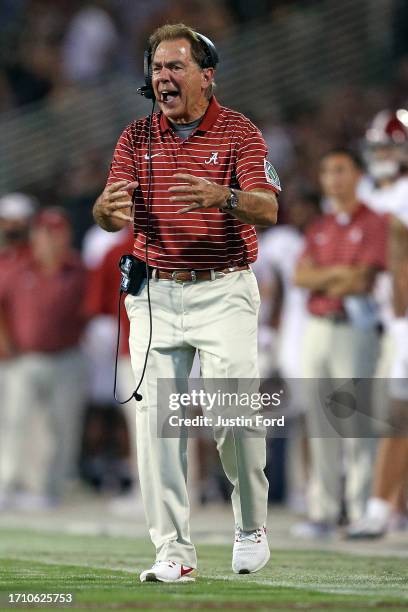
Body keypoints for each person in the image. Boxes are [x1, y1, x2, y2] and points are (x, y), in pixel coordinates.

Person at [92, 23, 279, 582]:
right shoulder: (135, 138)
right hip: (153, 292)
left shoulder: (240, 132)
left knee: (232, 416)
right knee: (155, 425)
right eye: (156, 68)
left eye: (175, 66)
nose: (163, 77)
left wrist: (223, 197)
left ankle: (251, 527)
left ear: (206, 74)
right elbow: (107, 215)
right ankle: (173, 551)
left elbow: (268, 209)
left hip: (222, 287)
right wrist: (105, 209)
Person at [292, 149, 387, 538]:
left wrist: (324, 276)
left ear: (358, 175)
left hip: (355, 328)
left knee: (356, 424)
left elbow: (362, 279)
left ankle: (363, 508)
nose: (332, 178)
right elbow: (300, 277)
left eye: (341, 170)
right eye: (327, 171)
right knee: (320, 423)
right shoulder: (320, 225)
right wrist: (336, 275)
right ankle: (324, 511)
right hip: (318, 327)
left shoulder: (375, 221)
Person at [0, 208, 87, 508]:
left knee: (62, 425)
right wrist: (5, 340)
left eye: (55, 233)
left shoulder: (77, 270)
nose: (48, 240)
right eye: (43, 233)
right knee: (16, 422)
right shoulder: (19, 267)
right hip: (25, 359)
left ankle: (52, 487)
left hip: (66, 357)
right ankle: (9, 483)